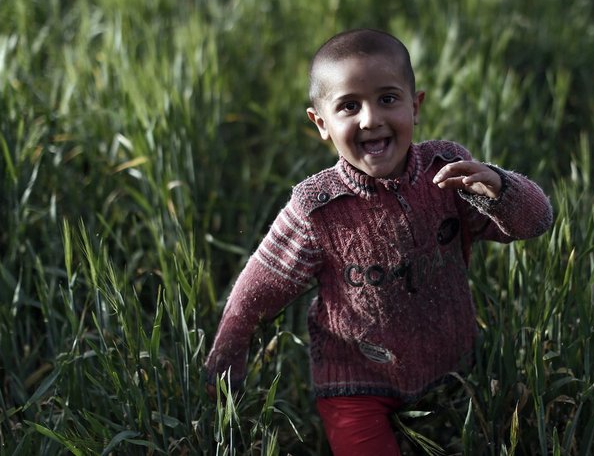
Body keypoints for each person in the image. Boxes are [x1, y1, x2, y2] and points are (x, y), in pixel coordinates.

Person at [204, 28, 553, 455]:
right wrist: (225, 361)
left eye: (388, 98)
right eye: (349, 106)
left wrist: (501, 188)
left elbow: (534, 223)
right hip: (355, 384)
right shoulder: (316, 209)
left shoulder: (446, 171)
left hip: (453, 366)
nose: (371, 119)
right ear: (321, 124)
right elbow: (256, 291)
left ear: (415, 105)